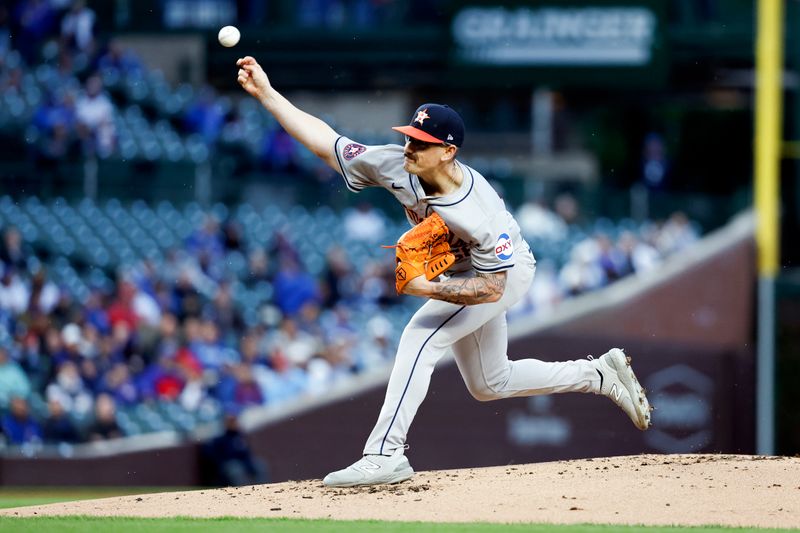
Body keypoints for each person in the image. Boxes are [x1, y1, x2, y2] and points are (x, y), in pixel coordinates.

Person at [235, 56, 652, 487]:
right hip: (468, 271)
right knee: (491, 382)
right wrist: (267, 93)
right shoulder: (398, 163)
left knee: (420, 338)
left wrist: (429, 286)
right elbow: (329, 143)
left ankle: (385, 454)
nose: (409, 147)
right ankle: (597, 374)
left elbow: (493, 287)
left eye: (421, 142)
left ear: (448, 151)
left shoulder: (476, 211)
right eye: (410, 136)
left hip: (504, 273)